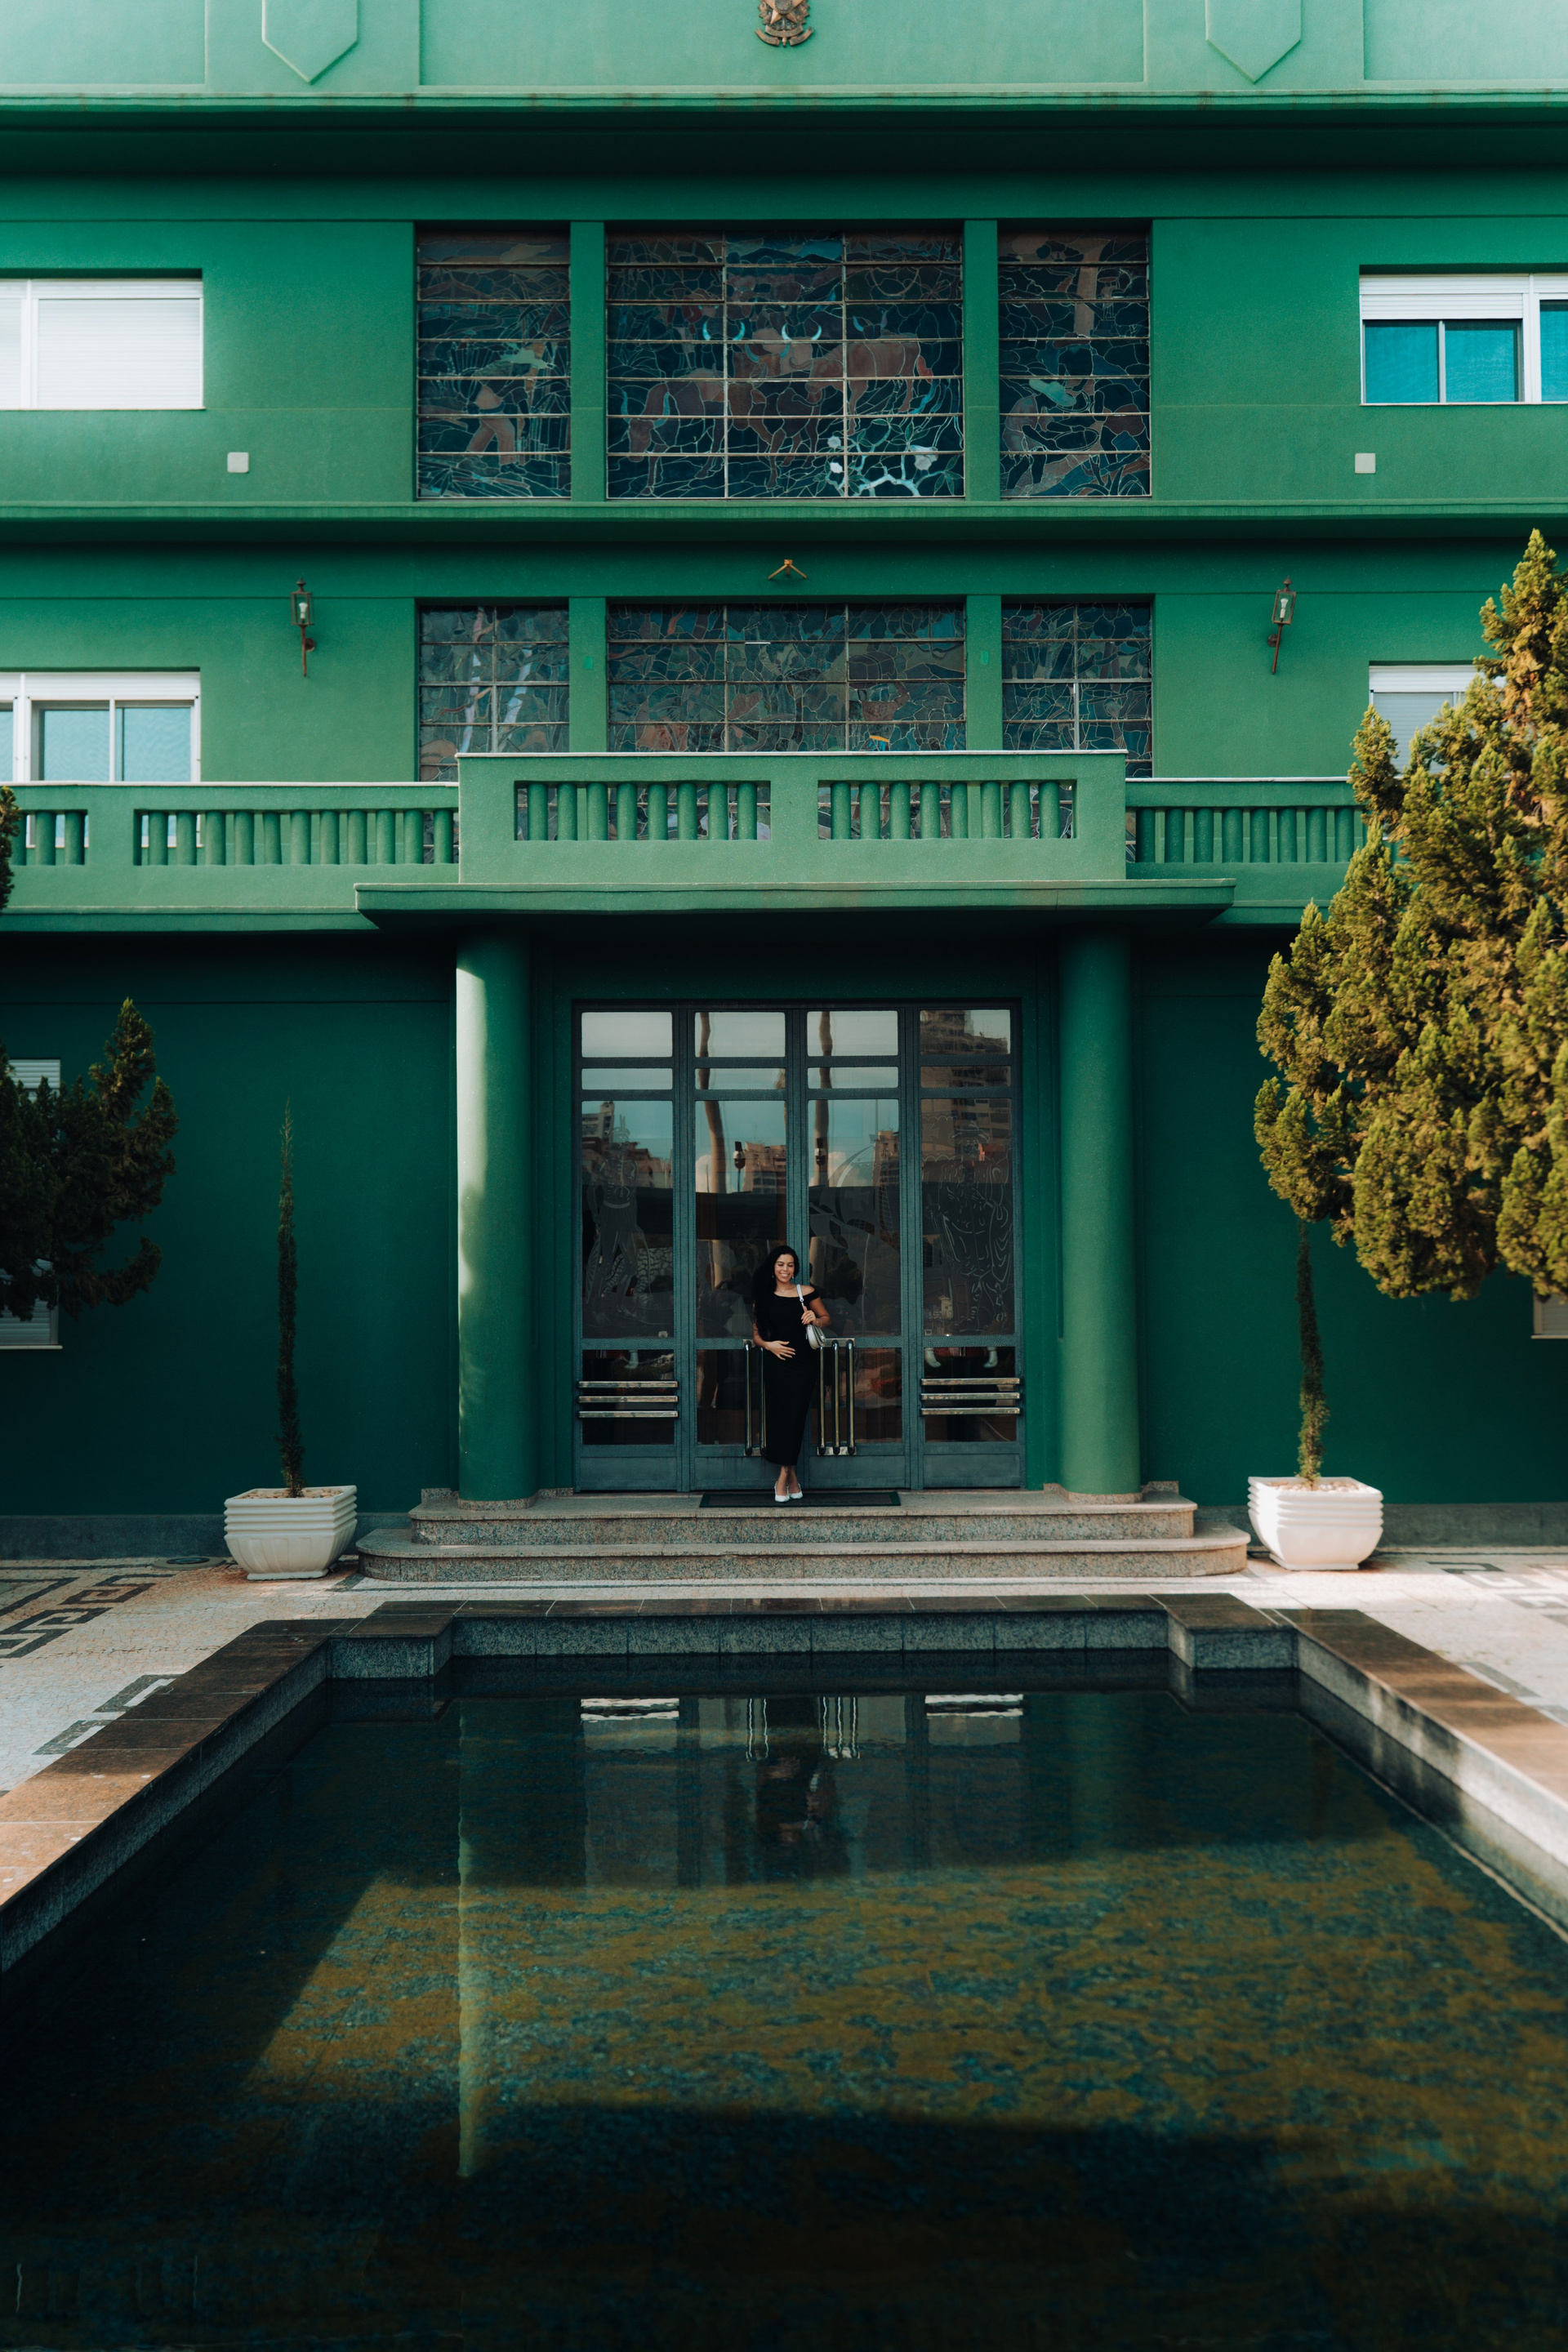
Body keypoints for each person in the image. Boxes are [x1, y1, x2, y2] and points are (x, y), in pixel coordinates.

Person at [751, 1244, 830, 1501]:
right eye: (781, 1264)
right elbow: (756, 1337)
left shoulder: (806, 1292)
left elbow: (826, 1318)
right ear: (773, 1267)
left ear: (795, 1269)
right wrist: (770, 1346)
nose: (785, 1269)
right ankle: (792, 1477)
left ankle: (783, 1477)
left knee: (795, 1418)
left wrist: (815, 1319)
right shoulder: (763, 1296)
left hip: (804, 1365)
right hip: (777, 1365)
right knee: (780, 1419)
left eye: (790, 1265)